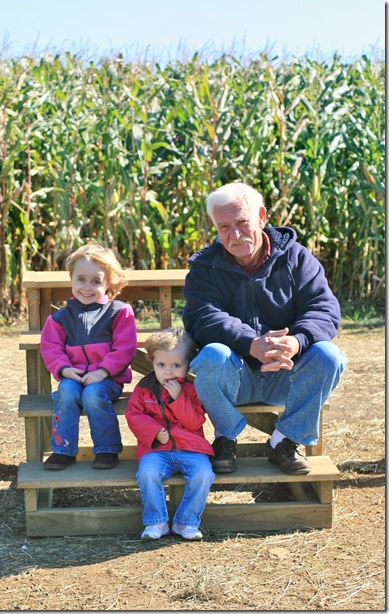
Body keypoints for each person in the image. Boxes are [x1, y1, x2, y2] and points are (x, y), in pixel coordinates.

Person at [182, 182, 348, 475]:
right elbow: (202, 317)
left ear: (261, 216)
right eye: (224, 227)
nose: (235, 235)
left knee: (329, 356)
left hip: (288, 374)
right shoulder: (205, 268)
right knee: (211, 355)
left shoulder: (297, 258)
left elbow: (323, 309)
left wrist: (296, 342)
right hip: (235, 377)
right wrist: (251, 344)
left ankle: (285, 440)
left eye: (242, 222)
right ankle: (225, 436)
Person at [40, 244, 137, 470]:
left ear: (109, 282)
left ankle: (107, 449)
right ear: (71, 279)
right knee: (65, 392)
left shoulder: (119, 312)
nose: (87, 287)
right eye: (81, 279)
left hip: (107, 379)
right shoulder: (59, 319)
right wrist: (64, 369)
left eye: (96, 281)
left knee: (93, 395)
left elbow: (125, 348)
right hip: (73, 375)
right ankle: (63, 450)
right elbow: (51, 348)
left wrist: (102, 372)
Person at [125, 328, 215, 541]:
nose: (168, 372)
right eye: (161, 365)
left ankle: (186, 521)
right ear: (152, 363)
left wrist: (179, 398)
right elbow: (133, 415)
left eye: (176, 365)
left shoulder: (192, 389)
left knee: (203, 474)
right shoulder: (144, 389)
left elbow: (195, 421)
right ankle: (156, 521)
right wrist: (154, 432)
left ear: (188, 365)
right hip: (156, 450)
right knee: (147, 472)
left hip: (191, 448)